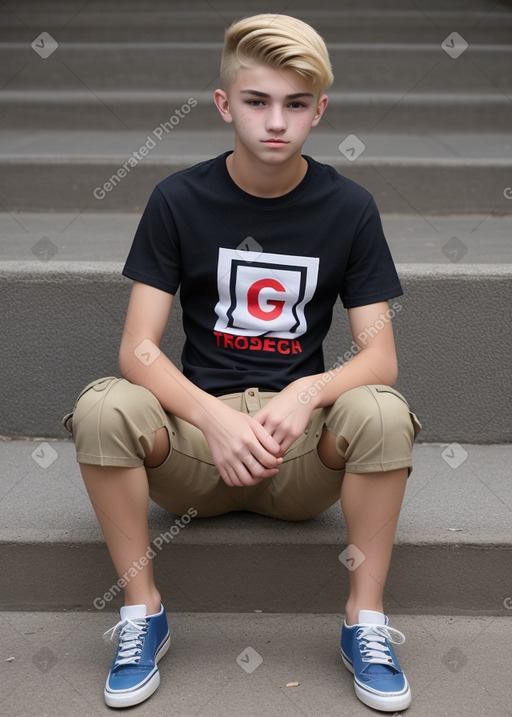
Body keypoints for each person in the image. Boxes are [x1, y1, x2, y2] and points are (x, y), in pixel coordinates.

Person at [63, 13, 421, 713]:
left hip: (299, 456)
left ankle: (364, 622)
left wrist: (308, 391)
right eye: (258, 102)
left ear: (320, 110)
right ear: (225, 104)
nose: (276, 122)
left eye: (295, 104)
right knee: (104, 403)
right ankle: (143, 613)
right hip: (198, 452)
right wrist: (210, 418)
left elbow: (381, 355)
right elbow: (137, 347)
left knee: (381, 411)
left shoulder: (349, 207)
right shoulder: (178, 198)